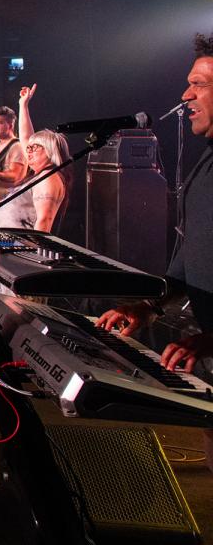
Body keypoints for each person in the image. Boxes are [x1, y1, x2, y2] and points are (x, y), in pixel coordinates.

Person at [99, 33, 213, 376]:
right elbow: (194, 252)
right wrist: (151, 305)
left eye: (199, 84)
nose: (186, 95)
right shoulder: (207, 161)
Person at [0, 85, 69, 233]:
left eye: (34, 147)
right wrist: (23, 105)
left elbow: (45, 220)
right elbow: (26, 137)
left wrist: (33, 248)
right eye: (29, 148)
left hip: (19, 244)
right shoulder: (41, 174)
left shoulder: (49, 178)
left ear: (50, 151)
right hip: (6, 241)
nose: (28, 150)